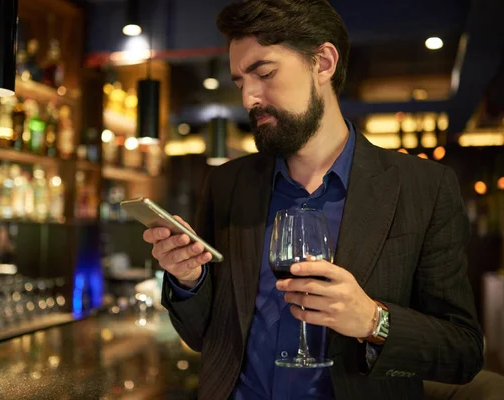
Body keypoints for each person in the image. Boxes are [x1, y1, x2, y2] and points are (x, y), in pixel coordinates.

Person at [143, 0, 484, 398]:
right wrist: (189, 279)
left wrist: (374, 321)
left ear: (323, 62)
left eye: (264, 73)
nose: (249, 98)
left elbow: (462, 352)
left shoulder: (423, 187)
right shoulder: (228, 184)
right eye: (240, 82)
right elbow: (206, 338)